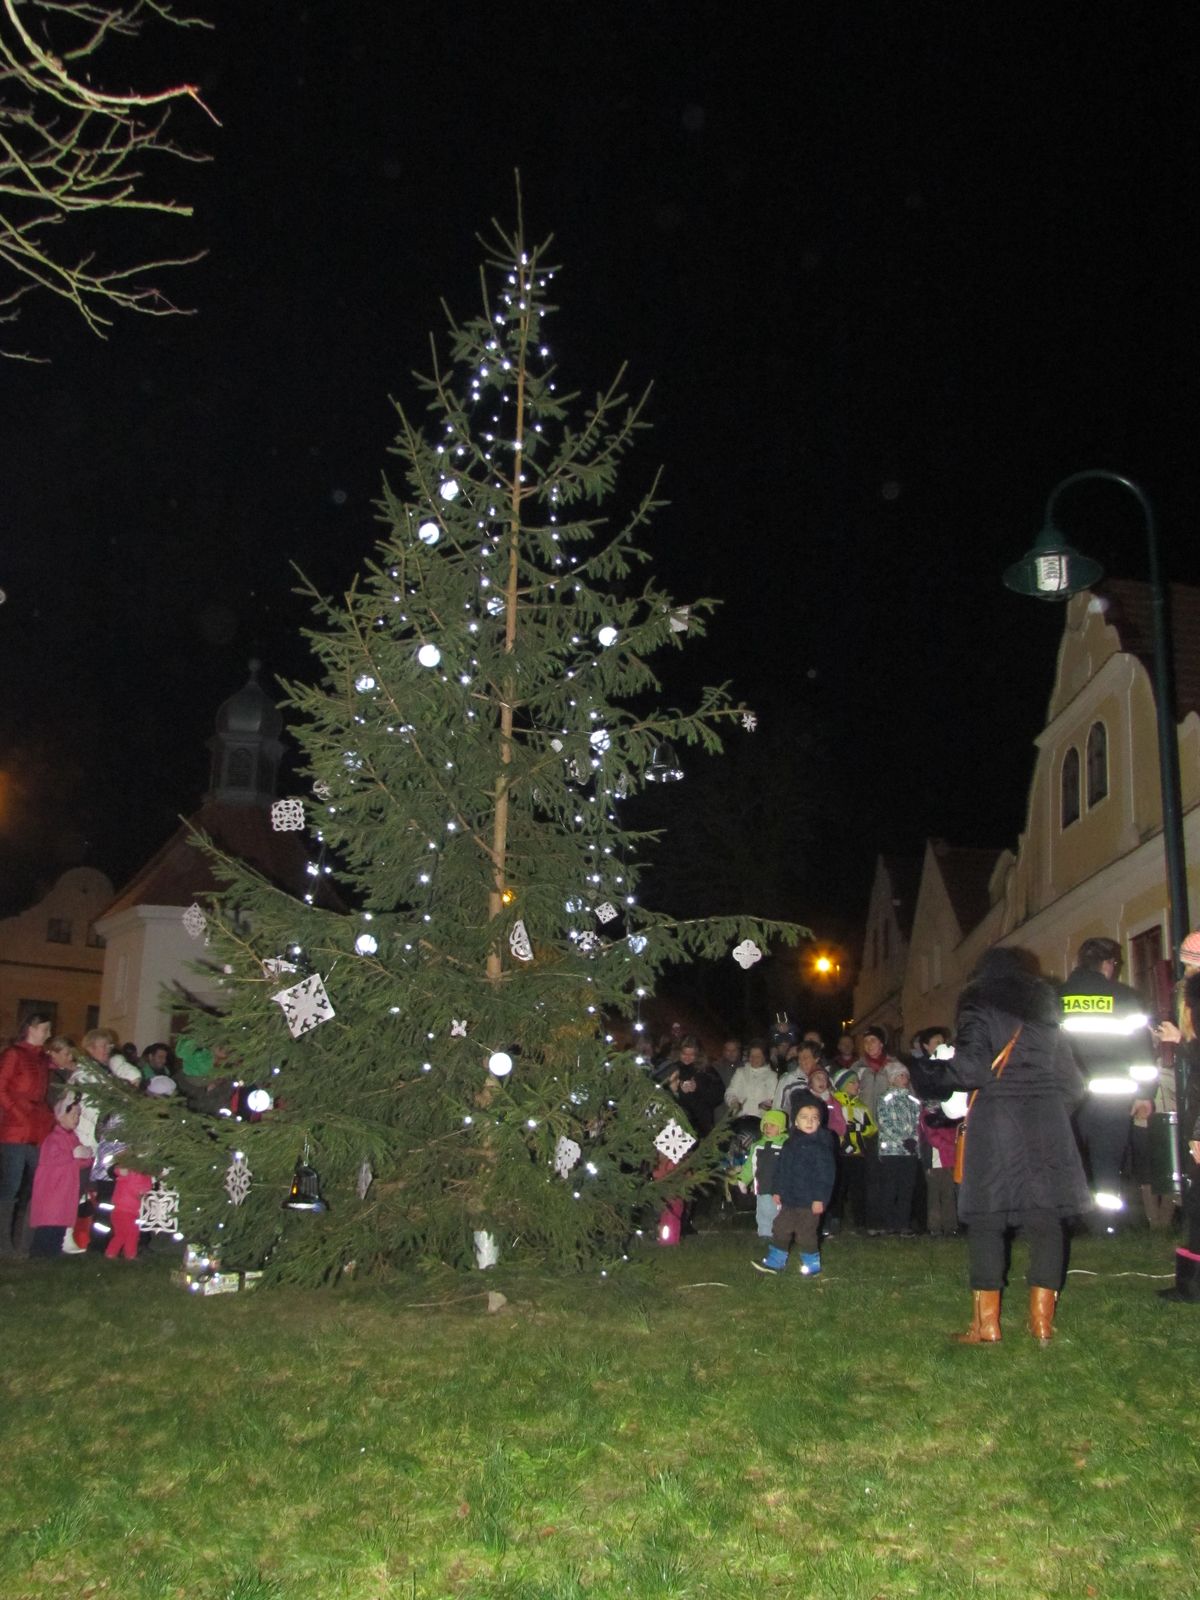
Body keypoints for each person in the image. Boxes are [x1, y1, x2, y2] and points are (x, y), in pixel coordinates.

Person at [919, 946, 1090, 1345]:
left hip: (996, 1122)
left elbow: (972, 1068)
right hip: (1046, 1122)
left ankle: (987, 1325)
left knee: (987, 1220)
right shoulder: (1047, 1016)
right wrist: (1047, 1109)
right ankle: (1042, 1324)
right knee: (1047, 1219)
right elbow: (1074, 1084)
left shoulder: (979, 1002)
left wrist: (924, 1073)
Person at [1058, 937, 1157, 1231]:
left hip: (1068, 1098)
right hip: (1114, 1098)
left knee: (1069, 1160)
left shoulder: (1055, 998)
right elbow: (1142, 1053)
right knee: (1108, 1164)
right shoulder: (1126, 999)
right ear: (1107, 964)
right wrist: (1144, 1095)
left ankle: (1069, 1225)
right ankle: (1105, 1226)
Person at [753, 1103, 836, 1276]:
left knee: (806, 1234)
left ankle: (812, 1266)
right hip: (789, 1199)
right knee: (781, 1227)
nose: (809, 1121)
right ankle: (776, 1262)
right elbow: (782, 1169)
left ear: (819, 1122)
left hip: (809, 1201)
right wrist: (777, 1190)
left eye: (814, 1118)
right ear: (795, 1122)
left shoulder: (821, 1147)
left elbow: (825, 1177)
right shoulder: (790, 1144)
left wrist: (820, 1199)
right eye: (804, 1117)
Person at [0, 1012, 57, 1256]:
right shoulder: (14, 1054)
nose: (48, 1034)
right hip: (15, 1131)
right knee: (11, 1186)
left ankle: (25, 1240)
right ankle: (4, 1242)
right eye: (45, 1029)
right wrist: (19, 1115)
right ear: (31, 1029)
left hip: (38, 1129)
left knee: (38, 1184)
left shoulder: (42, 1058)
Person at [28, 1095, 94, 1257]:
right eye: (73, 1115)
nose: (77, 1118)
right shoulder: (53, 1139)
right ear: (61, 1116)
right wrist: (75, 1156)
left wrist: (85, 1155)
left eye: (78, 1115)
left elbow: (81, 1159)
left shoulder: (72, 1138)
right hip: (53, 1191)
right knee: (49, 1225)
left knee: (59, 1225)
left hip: (65, 1191)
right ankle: (39, 1255)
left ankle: (52, 1254)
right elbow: (57, 1160)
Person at [872, 1063, 921, 1235]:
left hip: (909, 1152)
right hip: (891, 1151)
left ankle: (903, 1223)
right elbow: (885, 1124)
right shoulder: (885, 1099)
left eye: (906, 1076)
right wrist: (902, 1140)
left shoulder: (913, 1100)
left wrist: (914, 1140)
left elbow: (918, 1123)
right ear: (892, 1079)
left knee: (907, 1188)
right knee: (890, 1187)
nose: (904, 1079)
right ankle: (888, 1222)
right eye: (900, 1076)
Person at [831, 1068, 875, 1231]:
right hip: (840, 1154)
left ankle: (860, 1221)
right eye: (852, 1082)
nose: (857, 1085)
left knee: (859, 1188)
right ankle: (835, 1217)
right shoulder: (835, 1105)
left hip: (858, 1153)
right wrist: (843, 1141)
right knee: (839, 1187)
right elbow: (833, 1127)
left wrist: (860, 1129)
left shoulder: (861, 1106)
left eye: (857, 1081)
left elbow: (871, 1128)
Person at [738, 1108, 789, 1243]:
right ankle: (765, 1233)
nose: (768, 1128)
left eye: (772, 1125)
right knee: (763, 1210)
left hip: (781, 1187)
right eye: (765, 1125)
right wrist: (743, 1179)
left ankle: (781, 1233)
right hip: (763, 1186)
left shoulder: (786, 1145)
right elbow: (750, 1165)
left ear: (781, 1127)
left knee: (781, 1212)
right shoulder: (757, 1146)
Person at [724, 1042, 777, 1121]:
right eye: (752, 1056)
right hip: (740, 1118)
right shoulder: (740, 1072)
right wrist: (734, 1102)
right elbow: (730, 1092)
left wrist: (766, 1105)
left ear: (764, 1057)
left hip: (761, 1119)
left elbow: (773, 1097)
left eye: (758, 1056)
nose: (754, 1059)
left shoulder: (772, 1076)